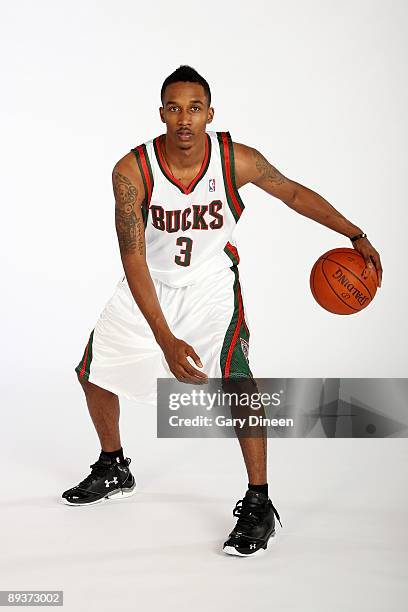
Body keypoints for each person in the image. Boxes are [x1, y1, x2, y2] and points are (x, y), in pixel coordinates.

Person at [62, 65, 383, 557]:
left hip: (211, 283)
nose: (184, 119)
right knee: (92, 373)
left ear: (210, 113)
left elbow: (293, 192)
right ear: (162, 114)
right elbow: (132, 257)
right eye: (174, 108)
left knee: (239, 379)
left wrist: (353, 233)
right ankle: (114, 465)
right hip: (148, 283)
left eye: (194, 108)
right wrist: (165, 338)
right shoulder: (132, 171)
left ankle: (259, 501)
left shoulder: (237, 160)